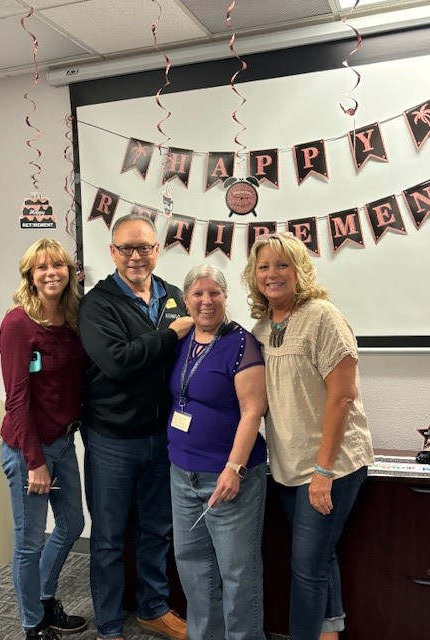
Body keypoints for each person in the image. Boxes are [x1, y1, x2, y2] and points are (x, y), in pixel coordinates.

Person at [242, 233, 374, 640]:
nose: (272, 274)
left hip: (330, 463)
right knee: (318, 557)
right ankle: (329, 631)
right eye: (263, 267)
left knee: (305, 568)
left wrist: (323, 470)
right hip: (286, 466)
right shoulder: (260, 328)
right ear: (254, 275)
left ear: (299, 270)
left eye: (282, 265)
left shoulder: (322, 316)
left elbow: (343, 396)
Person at [79, 213, 194, 640]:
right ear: (112, 252)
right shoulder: (97, 303)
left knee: (157, 529)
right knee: (108, 538)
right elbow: (118, 362)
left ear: (157, 251)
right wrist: (171, 334)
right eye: (126, 248)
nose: (135, 256)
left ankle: (153, 608)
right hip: (112, 439)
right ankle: (109, 625)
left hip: (164, 438)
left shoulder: (175, 296)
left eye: (144, 247)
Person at [168, 264, 268, 640]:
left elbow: (253, 409)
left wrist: (234, 468)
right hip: (182, 473)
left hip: (228, 477)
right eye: (197, 293)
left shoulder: (242, 344)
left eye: (214, 293)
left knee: (237, 573)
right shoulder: (181, 339)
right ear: (186, 299)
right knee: (193, 568)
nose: (206, 301)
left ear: (226, 298)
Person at [0, 238, 88, 640]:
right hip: (27, 448)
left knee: (71, 524)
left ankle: (46, 599)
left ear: (69, 272)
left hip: (63, 442)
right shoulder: (18, 324)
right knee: (29, 543)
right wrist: (34, 461)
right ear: (30, 276)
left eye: (58, 265)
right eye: (41, 267)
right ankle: (32, 623)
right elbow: (16, 399)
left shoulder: (72, 318)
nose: (51, 272)